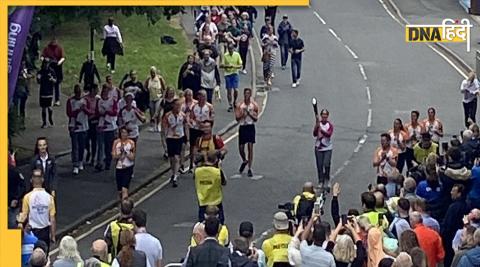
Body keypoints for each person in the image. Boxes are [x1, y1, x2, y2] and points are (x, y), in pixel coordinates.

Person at [17, 169, 56, 254]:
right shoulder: (49, 197)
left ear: (31, 180)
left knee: (33, 257)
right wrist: (53, 236)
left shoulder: (27, 197)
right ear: (42, 179)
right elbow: (52, 219)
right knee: (44, 257)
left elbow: (24, 216)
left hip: (32, 232)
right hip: (45, 232)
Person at [194, 151, 227, 224]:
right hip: (216, 201)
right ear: (216, 160)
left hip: (203, 200)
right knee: (220, 224)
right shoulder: (217, 172)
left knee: (202, 224)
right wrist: (219, 167)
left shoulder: (197, 171)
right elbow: (224, 182)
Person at [441, 184, 470, 267]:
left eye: (453, 191)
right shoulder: (467, 206)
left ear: (459, 194)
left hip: (450, 239)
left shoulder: (453, 207)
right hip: (462, 238)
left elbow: (447, 225)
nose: (451, 192)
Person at [235, 88, 259, 177]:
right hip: (242, 126)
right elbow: (237, 118)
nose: (247, 95)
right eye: (245, 93)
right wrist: (243, 115)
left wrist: (249, 114)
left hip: (250, 126)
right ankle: (245, 160)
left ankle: (249, 167)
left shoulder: (254, 105)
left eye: (248, 93)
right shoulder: (240, 105)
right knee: (241, 148)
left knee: (250, 146)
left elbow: (256, 118)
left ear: (250, 95)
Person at [163, 99, 187, 187]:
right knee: (172, 158)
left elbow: (186, 125)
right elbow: (164, 128)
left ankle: (175, 176)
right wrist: (164, 139)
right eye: (176, 105)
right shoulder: (167, 115)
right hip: (170, 138)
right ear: (173, 105)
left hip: (179, 138)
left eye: (179, 105)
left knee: (177, 157)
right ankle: (173, 172)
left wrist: (186, 138)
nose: (178, 107)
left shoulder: (182, 115)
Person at [67, 84, 91, 175]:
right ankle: (75, 164)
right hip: (74, 126)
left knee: (82, 146)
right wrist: (78, 110)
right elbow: (69, 113)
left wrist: (84, 109)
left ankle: (81, 161)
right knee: (75, 146)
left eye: (79, 92)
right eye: (77, 92)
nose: (78, 94)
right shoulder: (70, 101)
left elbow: (90, 112)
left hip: (84, 126)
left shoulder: (85, 101)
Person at [190, 90, 215, 171]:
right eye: (202, 96)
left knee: (205, 146)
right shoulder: (194, 106)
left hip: (205, 130)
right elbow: (191, 117)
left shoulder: (209, 106)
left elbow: (212, 118)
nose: (204, 98)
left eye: (205, 96)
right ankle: (192, 164)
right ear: (198, 97)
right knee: (193, 146)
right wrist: (196, 122)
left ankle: (206, 162)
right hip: (195, 128)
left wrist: (207, 124)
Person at [96, 84, 119, 171]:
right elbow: (97, 113)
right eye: (103, 92)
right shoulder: (99, 101)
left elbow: (115, 112)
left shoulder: (112, 101)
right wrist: (102, 113)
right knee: (101, 145)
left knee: (109, 146)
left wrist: (107, 111)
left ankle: (108, 162)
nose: (104, 93)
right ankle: (100, 163)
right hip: (101, 126)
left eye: (106, 92)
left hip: (111, 126)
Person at [112, 127, 136, 200]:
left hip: (128, 168)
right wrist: (120, 155)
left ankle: (125, 205)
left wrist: (125, 152)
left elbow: (132, 157)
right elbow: (114, 157)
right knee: (120, 191)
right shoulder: (116, 142)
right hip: (119, 168)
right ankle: (122, 203)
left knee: (124, 189)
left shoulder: (131, 143)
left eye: (125, 133)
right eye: (122, 132)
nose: (124, 134)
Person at [313, 109, 334, 189]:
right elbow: (314, 134)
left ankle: (327, 179)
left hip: (327, 148)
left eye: (326, 115)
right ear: (321, 116)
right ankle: (321, 181)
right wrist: (316, 126)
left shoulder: (330, 125)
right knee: (319, 165)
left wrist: (321, 130)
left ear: (327, 116)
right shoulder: (318, 124)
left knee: (327, 164)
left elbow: (329, 134)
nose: (324, 116)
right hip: (318, 147)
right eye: (323, 115)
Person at [41, 38, 65, 106]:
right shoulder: (47, 48)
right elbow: (42, 56)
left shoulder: (59, 48)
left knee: (57, 84)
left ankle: (57, 100)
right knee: (49, 84)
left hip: (57, 68)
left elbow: (62, 57)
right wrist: (45, 60)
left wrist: (59, 62)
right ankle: (50, 99)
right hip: (49, 67)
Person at [221, 44, 243, 112]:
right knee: (229, 90)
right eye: (229, 49)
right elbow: (221, 65)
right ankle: (230, 104)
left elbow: (240, 65)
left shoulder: (237, 55)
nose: (230, 50)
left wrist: (234, 66)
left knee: (236, 89)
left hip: (235, 73)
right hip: (227, 74)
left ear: (233, 49)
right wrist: (227, 66)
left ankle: (235, 101)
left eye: (231, 49)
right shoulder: (225, 55)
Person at [144, 66, 166, 132]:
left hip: (158, 97)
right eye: (151, 73)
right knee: (152, 112)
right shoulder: (148, 79)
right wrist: (147, 91)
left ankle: (158, 125)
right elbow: (145, 86)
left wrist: (163, 97)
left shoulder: (159, 78)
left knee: (157, 112)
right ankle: (153, 125)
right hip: (151, 97)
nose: (153, 74)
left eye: (154, 73)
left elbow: (164, 88)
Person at [37, 58, 56, 128]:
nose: (46, 65)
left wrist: (52, 79)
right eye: (45, 63)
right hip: (43, 92)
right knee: (43, 108)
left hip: (50, 92)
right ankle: (44, 122)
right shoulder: (40, 72)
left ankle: (50, 119)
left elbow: (55, 80)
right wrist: (38, 78)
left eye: (47, 63)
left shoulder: (51, 71)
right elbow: (38, 81)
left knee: (50, 107)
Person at [8, 152, 26, 229]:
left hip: (12, 205)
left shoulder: (14, 171)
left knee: (13, 225)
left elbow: (22, 186)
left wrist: (16, 198)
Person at [84, 84, 100, 166]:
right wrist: (90, 114)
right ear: (92, 90)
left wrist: (94, 115)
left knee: (94, 141)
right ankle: (88, 151)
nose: (98, 91)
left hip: (95, 121)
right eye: (96, 89)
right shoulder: (86, 98)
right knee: (86, 140)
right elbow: (85, 108)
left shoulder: (98, 99)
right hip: (87, 121)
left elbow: (99, 109)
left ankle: (93, 158)